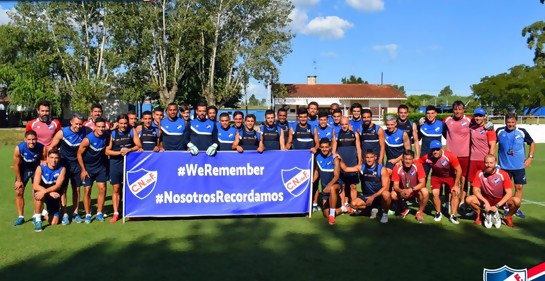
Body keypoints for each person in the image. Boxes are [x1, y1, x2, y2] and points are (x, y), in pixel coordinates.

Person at [49, 113, 87, 224]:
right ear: (71, 122)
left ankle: (75, 213)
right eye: (76, 124)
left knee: (77, 189)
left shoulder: (85, 130)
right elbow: (52, 147)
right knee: (63, 189)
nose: (78, 126)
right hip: (64, 164)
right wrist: (51, 162)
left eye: (80, 124)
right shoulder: (62, 132)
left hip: (77, 165)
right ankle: (65, 213)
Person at [496, 112, 535, 219]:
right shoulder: (499, 131)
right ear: (505, 122)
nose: (510, 124)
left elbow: (532, 143)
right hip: (504, 166)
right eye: (508, 122)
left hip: (519, 166)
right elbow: (492, 144)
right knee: (506, 189)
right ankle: (507, 208)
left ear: (516, 122)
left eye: (513, 122)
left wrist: (530, 157)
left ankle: (516, 208)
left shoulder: (522, 132)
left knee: (519, 187)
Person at [466, 154, 521, 228]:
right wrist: (485, 202)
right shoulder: (479, 173)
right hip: (486, 200)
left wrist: (497, 205)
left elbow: (509, 193)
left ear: (495, 163)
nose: (488, 165)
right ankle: (480, 214)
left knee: (517, 201)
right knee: (469, 199)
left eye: (491, 163)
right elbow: (475, 190)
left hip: (501, 201)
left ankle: (507, 217)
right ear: (484, 163)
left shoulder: (503, 174)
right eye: (486, 163)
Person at [105, 114, 142, 223]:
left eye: (125, 123)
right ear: (118, 123)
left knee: (130, 188)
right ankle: (116, 212)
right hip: (115, 163)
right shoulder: (112, 133)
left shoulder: (132, 130)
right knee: (116, 188)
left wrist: (129, 150)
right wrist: (119, 152)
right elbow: (107, 151)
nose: (123, 125)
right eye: (121, 123)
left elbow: (138, 145)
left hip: (129, 163)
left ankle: (130, 211)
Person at [339, 149, 391, 223]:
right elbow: (346, 169)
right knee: (353, 204)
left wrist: (373, 197)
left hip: (379, 196)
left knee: (387, 194)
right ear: (364, 158)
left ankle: (385, 214)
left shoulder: (382, 169)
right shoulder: (362, 167)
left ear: (375, 157)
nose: (369, 160)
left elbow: (385, 187)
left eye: (371, 157)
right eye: (367, 157)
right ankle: (373, 208)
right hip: (367, 196)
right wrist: (340, 159)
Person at [418, 140, 462, 224]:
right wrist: (401, 163)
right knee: (435, 193)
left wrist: (456, 185)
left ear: (441, 148)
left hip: (450, 176)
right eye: (433, 149)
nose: (435, 151)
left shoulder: (450, 156)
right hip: (436, 177)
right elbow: (418, 162)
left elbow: (459, 170)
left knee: (455, 193)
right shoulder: (428, 157)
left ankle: (453, 215)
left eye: (437, 149)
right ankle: (438, 213)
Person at [77, 117, 109, 224]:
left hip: (100, 167)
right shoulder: (87, 139)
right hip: (88, 168)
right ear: (95, 127)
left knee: (102, 189)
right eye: (99, 127)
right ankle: (88, 214)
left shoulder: (106, 136)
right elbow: (79, 154)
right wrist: (83, 170)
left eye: (103, 127)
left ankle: (99, 212)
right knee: (87, 190)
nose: (101, 129)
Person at [12, 130, 45, 226]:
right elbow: (16, 165)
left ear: (37, 139)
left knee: (36, 192)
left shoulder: (42, 148)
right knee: (19, 191)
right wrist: (18, 180)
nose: (31, 142)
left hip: (36, 169)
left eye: (33, 139)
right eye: (29, 139)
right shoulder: (19, 148)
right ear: (25, 139)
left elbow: (43, 161)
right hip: (23, 170)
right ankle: (20, 217)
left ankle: (36, 215)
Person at [467, 108, 496, 215]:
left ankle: (487, 206)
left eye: (480, 116)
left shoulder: (489, 129)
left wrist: (490, 160)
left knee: (486, 184)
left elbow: (492, 145)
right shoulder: (472, 127)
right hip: (473, 160)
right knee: (472, 184)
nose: (478, 118)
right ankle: (473, 208)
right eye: (476, 116)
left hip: (484, 161)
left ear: (484, 116)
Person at [443, 101, 472, 208]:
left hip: (465, 155)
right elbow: (442, 130)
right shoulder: (447, 120)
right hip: (451, 156)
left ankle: (462, 202)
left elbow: (480, 125)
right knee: (449, 178)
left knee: (463, 179)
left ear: (463, 110)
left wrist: (489, 125)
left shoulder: (469, 120)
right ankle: (447, 201)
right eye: (455, 109)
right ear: (453, 110)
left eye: (460, 109)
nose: (457, 111)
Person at [31, 149, 66, 232]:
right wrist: (48, 192)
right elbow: (35, 185)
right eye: (51, 157)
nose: (54, 160)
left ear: (59, 159)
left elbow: (58, 185)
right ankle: (38, 219)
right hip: (44, 193)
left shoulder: (62, 169)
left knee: (54, 222)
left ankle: (43, 212)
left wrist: (47, 192)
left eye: (56, 158)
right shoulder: (40, 168)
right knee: (39, 195)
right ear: (47, 158)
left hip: (53, 195)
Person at [390, 150, 429, 223]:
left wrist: (411, 190)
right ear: (402, 159)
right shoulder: (397, 167)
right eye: (406, 159)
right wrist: (401, 191)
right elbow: (395, 186)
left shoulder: (418, 165)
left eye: (410, 159)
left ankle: (419, 212)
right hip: (403, 191)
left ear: (413, 159)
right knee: (393, 194)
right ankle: (404, 209)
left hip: (415, 191)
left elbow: (422, 183)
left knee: (425, 191)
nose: (408, 161)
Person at [332, 116, 361, 206]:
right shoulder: (336, 134)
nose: (344, 126)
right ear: (340, 125)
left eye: (346, 124)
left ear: (349, 124)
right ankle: (343, 205)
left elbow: (359, 149)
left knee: (353, 186)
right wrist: (336, 157)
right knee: (343, 186)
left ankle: (354, 205)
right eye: (342, 124)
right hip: (341, 164)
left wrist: (360, 162)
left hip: (352, 163)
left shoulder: (354, 134)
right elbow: (333, 150)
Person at [313, 138, 342, 225]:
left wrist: (329, 185)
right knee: (326, 214)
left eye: (326, 147)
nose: (324, 149)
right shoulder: (317, 157)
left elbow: (337, 176)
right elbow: (317, 172)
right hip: (325, 190)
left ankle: (332, 215)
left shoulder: (335, 158)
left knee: (332, 188)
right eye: (322, 147)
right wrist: (311, 182)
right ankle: (343, 209)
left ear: (330, 147)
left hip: (336, 186)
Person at [418, 105, 444, 177]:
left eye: (432, 113)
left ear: (436, 114)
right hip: (425, 156)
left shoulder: (441, 124)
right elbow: (416, 139)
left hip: (437, 156)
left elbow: (449, 137)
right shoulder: (422, 125)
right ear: (426, 114)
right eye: (428, 113)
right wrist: (418, 126)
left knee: (440, 179)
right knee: (423, 179)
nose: (430, 115)